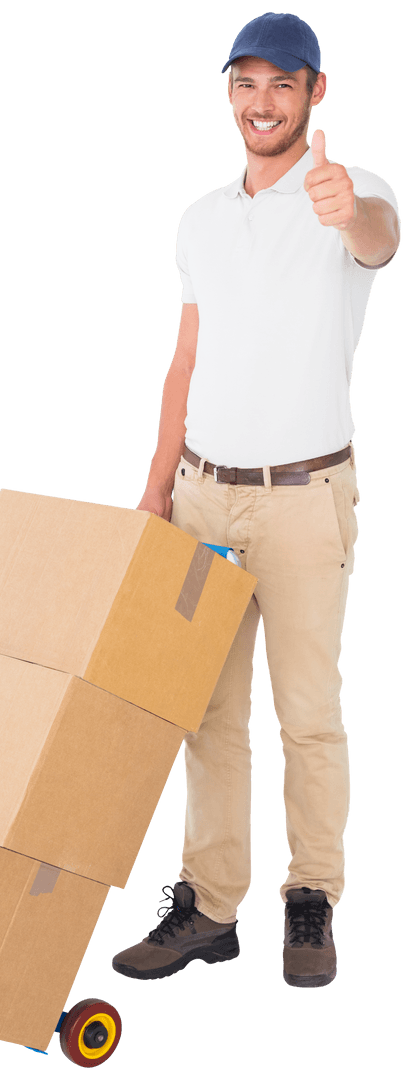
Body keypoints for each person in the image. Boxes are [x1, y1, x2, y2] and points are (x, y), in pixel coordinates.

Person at [111, 11, 401, 989]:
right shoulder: (200, 219)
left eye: (284, 84)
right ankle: (211, 906)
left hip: (302, 501)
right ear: (229, 94)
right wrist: (156, 489)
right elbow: (186, 360)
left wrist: (344, 207)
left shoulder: (350, 192)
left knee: (308, 710)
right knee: (205, 712)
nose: (263, 102)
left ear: (317, 93)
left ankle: (311, 898)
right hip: (202, 499)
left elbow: (382, 239)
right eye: (247, 84)